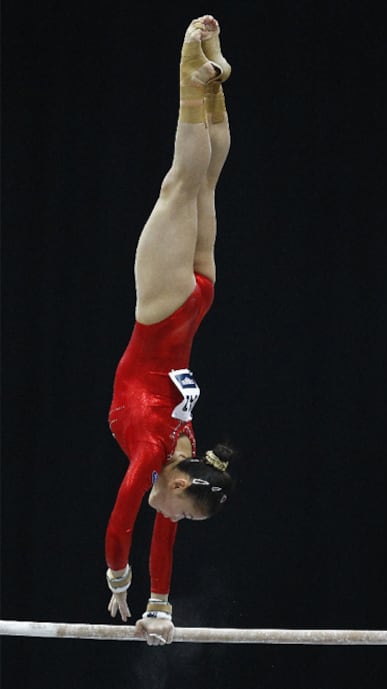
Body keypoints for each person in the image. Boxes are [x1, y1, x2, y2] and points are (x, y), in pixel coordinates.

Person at [105, 15, 233, 646]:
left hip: (196, 304)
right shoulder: (159, 455)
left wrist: (163, 604)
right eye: (181, 508)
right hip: (162, 311)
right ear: (181, 486)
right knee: (181, 182)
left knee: (205, 181)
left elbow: (157, 520)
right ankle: (192, 65)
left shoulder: (185, 453)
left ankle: (213, 84)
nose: (174, 518)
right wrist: (120, 584)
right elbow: (124, 518)